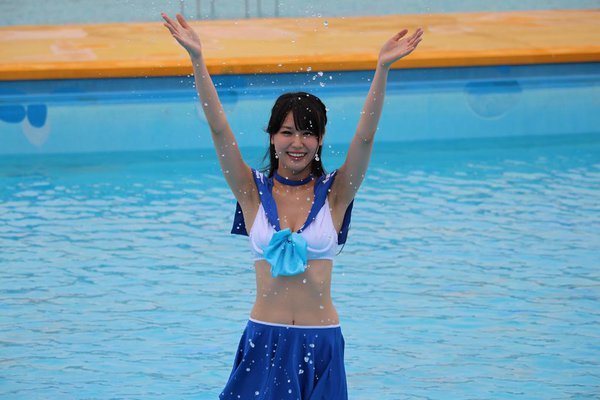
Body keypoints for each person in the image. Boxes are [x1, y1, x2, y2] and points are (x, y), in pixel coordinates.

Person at [161, 12, 423, 399]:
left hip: (321, 341)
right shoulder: (251, 191)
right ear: (272, 137)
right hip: (264, 339)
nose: (297, 143)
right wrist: (197, 59)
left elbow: (365, 139)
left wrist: (382, 69)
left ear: (320, 140)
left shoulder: (336, 194)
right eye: (286, 132)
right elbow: (219, 130)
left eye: (307, 133)